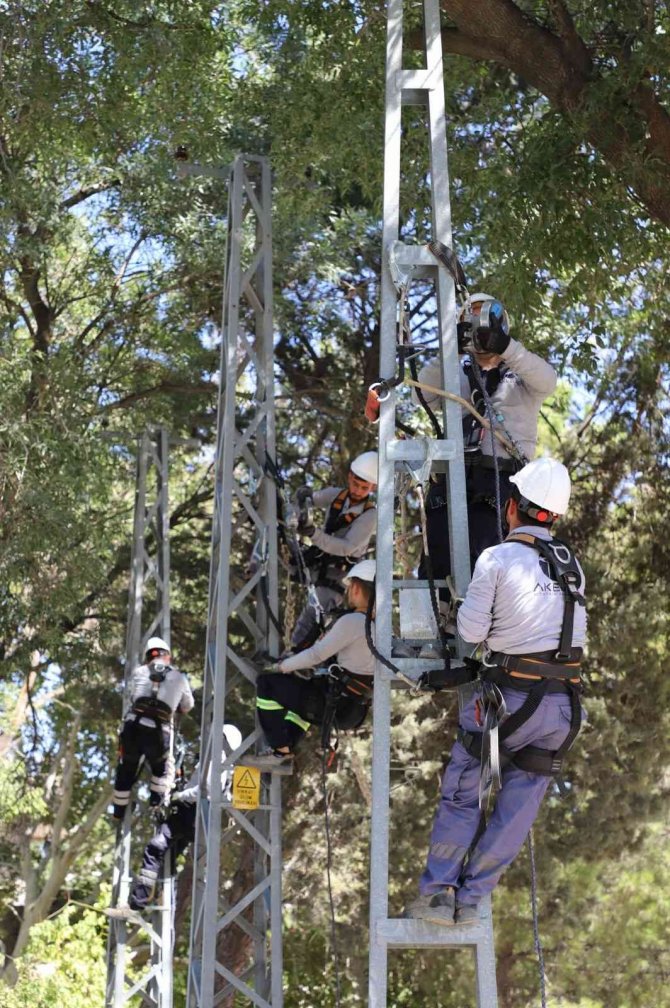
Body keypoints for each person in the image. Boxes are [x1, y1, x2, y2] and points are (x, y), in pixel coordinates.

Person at [405, 458, 586, 925]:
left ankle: (439, 893)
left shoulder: (498, 558)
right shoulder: (571, 566)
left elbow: (470, 632)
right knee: (517, 811)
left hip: (508, 703)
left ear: (511, 508)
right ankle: (472, 900)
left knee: (466, 789)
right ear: (554, 517)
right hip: (562, 709)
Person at [414, 293, 557, 588]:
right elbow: (421, 395)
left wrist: (505, 346)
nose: (478, 326)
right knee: (437, 560)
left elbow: (548, 381)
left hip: (500, 480)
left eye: (485, 318)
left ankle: (483, 614)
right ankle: (439, 611)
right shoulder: (454, 374)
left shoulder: (521, 375)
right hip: (452, 478)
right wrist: (449, 350)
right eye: (472, 319)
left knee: (489, 564)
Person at [250, 559, 376, 769]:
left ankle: (280, 749)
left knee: (268, 684)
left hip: (335, 704)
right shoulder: (380, 627)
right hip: (354, 710)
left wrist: (280, 667)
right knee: (305, 694)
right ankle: (287, 746)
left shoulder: (353, 621)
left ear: (355, 587)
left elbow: (316, 654)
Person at [108, 725, 242, 918]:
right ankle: (158, 899)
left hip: (190, 813)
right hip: (199, 818)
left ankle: (136, 904)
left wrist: (179, 795)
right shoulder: (226, 765)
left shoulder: (216, 760)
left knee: (155, 848)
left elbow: (206, 791)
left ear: (222, 738)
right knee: (167, 858)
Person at [289, 451, 378, 651]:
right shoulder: (337, 495)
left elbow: (346, 547)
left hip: (339, 572)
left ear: (372, 487)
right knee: (285, 552)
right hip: (320, 560)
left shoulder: (370, 515)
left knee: (315, 613)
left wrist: (313, 533)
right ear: (350, 477)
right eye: (355, 484)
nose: (358, 490)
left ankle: (296, 655)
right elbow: (313, 499)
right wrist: (300, 503)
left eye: (364, 488)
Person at [112, 637, 194, 819]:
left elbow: (132, 696)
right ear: (168, 657)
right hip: (159, 733)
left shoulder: (139, 672)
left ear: (148, 657)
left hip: (132, 728)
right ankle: (156, 804)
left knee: (126, 768)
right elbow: (187, 706)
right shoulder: (179, 678)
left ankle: (119, 811)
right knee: (162, 769)